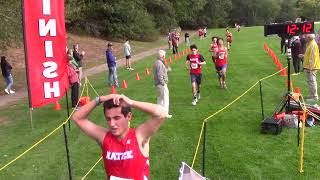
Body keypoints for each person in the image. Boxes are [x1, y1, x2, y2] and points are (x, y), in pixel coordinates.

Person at [72, 94, 168, 179]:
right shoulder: (104, 137)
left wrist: (131, 102)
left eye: (117, 118)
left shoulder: (139, 135)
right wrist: (99, 99)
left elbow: (162, 113)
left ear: (129, 116)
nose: (112, 124)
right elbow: (77, 118)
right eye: (108, 119)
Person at [153, 50, 172, 118]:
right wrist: (163, 83)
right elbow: (159, 75)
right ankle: (165, 113)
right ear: (163, 56)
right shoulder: (160, 64)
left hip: (158, 84)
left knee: (160, 99)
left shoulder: (156, 62)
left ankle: (159, 113)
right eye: (164, 56)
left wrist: (166, 70)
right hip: (161, 84)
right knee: (165, 99)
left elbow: (160, 72)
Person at [303, 34, 320, 101]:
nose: (305, 38)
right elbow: (309, 55)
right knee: (310, 81)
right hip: (310, 66)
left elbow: (313, 57)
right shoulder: (310, 44)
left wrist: (311, 67)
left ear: (309, 38)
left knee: (312, 81)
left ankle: (314, 97)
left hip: (312, 67)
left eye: (306, 37)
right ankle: (312, 95)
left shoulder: (312, 44)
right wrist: (303, 56)